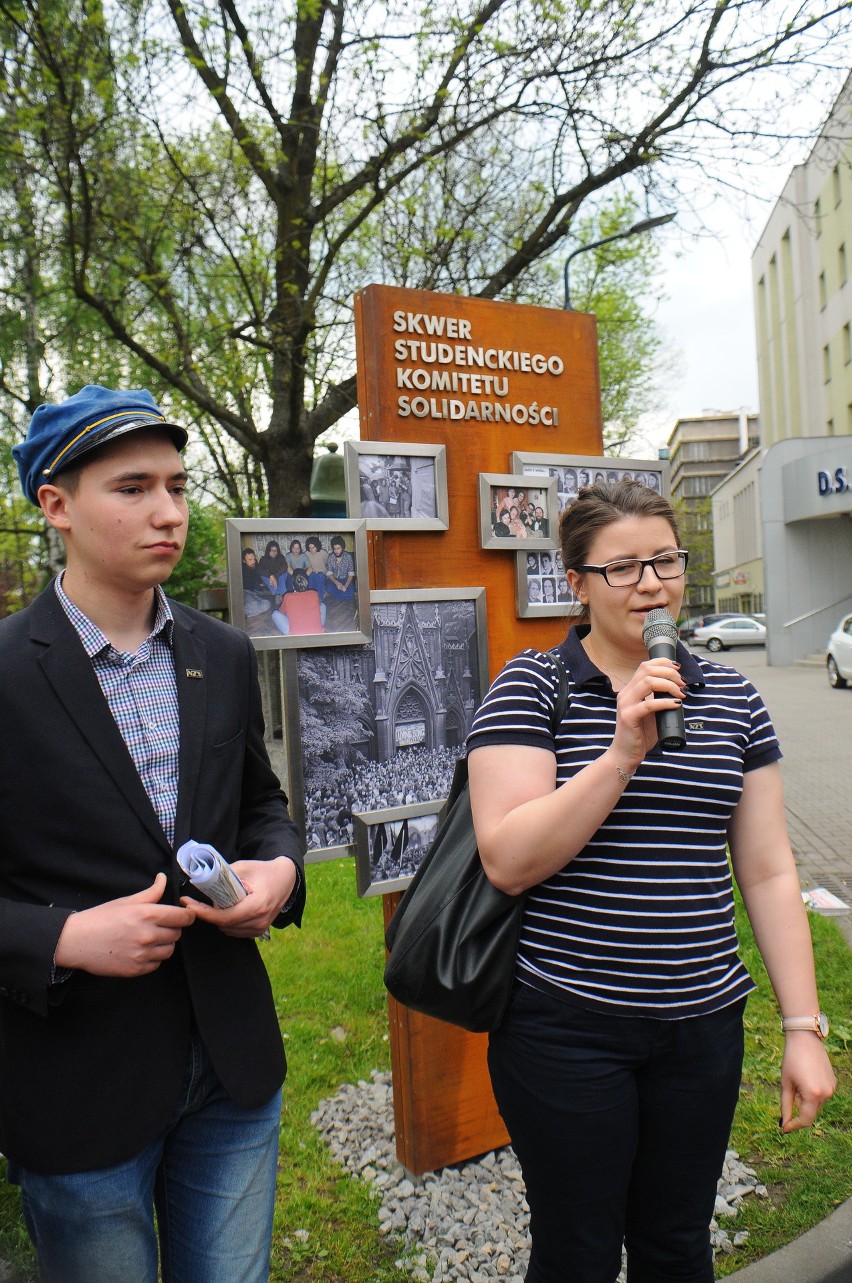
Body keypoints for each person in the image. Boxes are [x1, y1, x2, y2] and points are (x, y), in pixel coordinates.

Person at [467, 478, 835, 1283]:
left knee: (677, 1244)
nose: (650, 584)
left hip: (700, 1028)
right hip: (566, 1026)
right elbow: (508, 855)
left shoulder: (734, 698)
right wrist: (621, 751)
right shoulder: (531, 689)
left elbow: (770, 871)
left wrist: (803, 1028)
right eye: (623, 567)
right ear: (576, 583)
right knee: (579, 1251)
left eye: (665, 561)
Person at [4, 385, 306, 1283]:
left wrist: (282, 871)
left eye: (177, 485)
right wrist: (62, 936)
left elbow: (262, 801)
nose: (169, 512)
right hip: (76, 1081)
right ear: (55, 505)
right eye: (132, 488)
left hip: (233, 1065)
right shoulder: (8, 674)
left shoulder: (221, 652)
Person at [271, 570, 326, 636]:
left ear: (293, 585)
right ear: (307, 582)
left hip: (296, 635)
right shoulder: (314, 593)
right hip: (317, 633)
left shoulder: (288, 596)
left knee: (275, 614)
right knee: (322, 605)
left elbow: (282, 612)